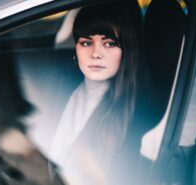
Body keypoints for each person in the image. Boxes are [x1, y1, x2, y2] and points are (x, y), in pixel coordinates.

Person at [49, 2, 141, 185]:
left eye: (109, 43)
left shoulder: (131, 115)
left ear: (127, 50)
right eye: (86, 42)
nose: (95, 53)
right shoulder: (69, 90)